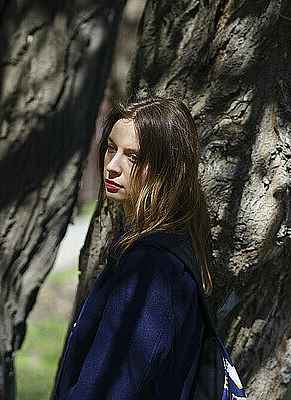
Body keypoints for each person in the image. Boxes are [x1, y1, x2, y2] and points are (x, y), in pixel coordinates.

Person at [53, 95, 214, 399]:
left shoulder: (152, 266)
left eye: (133, 157)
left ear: (167, 169)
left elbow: (109, 386)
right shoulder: (156, 244)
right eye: (111, 148)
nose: (112, 166)